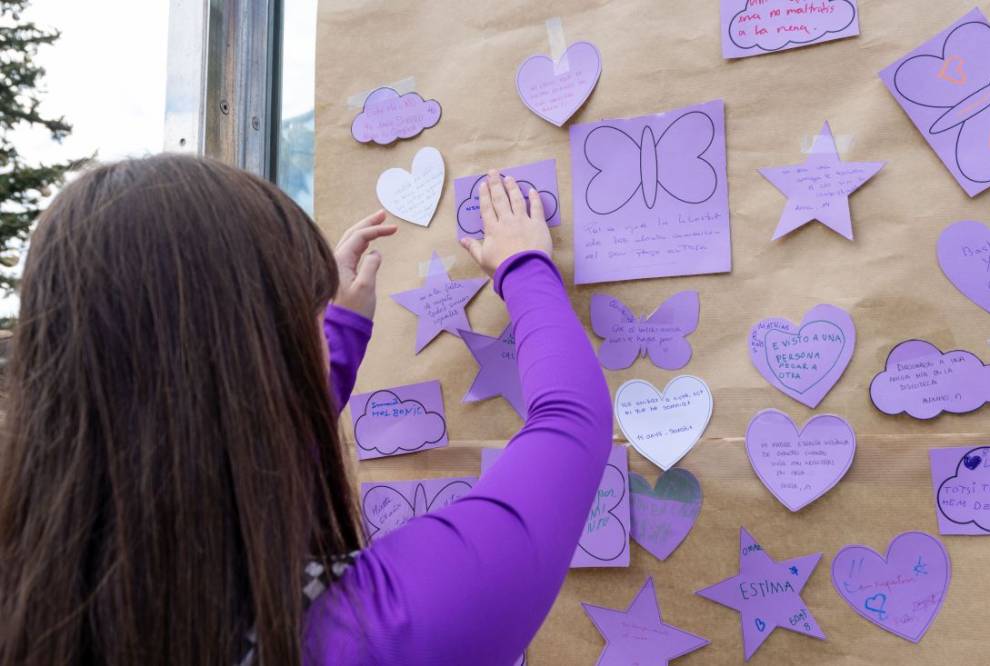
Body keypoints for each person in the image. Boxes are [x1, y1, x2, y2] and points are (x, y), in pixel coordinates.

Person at [0, 154, 611, 666]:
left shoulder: (36, 599)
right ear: (259, 350)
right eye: (303, 315)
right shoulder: (376, 631)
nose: (315, 328)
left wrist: (337, 330)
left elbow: (232, 449)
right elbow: (569, 429)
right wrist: (524, 267)